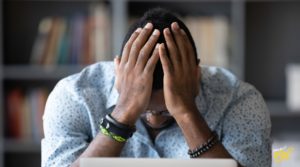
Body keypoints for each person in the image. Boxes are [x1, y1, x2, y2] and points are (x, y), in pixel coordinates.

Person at [42, 8, 271, 167]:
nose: (154, 121)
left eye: (164, 111)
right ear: (119, 70)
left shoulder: (239, 101)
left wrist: (186, 112)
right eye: (144, 110)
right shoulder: (73, 97)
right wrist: (123, 114)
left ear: (196, 74)